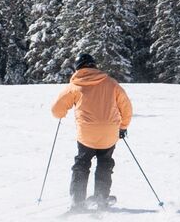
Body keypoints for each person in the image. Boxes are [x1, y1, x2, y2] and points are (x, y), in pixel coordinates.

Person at [50, 53, 132, 213]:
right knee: (105, 163)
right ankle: (101, 198)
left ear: (78, 68)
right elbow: (126, 106)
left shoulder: (75, 85)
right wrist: (123, 126)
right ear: (94, 66)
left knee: (81, 164)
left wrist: (61, 113)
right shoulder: (111, 83)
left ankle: (77, 202)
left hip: (86, 134)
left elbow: (56, 110)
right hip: (109, 133)